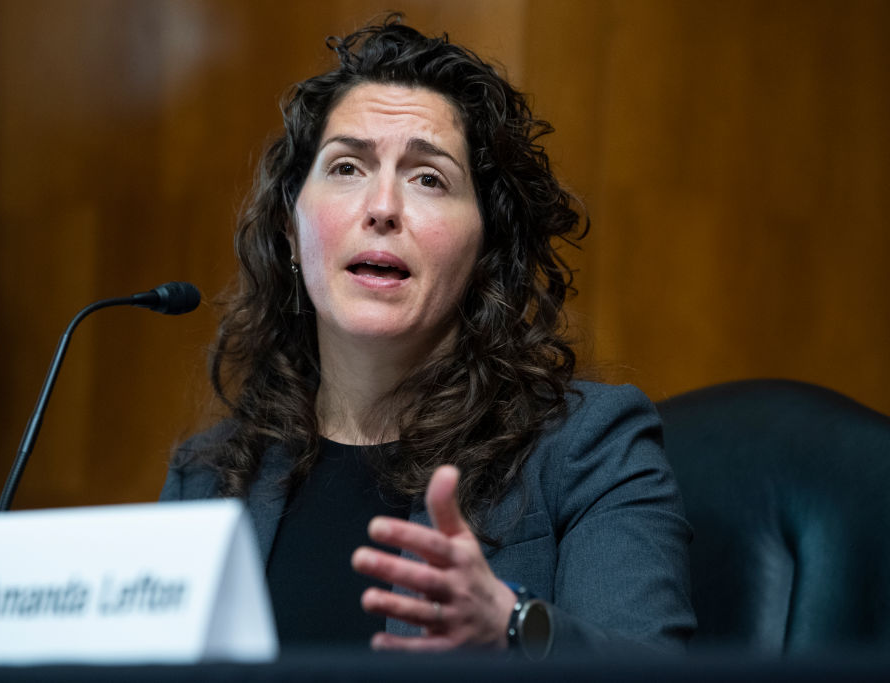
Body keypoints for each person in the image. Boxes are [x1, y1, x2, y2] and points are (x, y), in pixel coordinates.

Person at [161, 16, 694, 657]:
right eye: (347, 167)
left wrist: (514, 627)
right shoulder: (208, 479)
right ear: (289, 230)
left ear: (485, 250)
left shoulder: (588, 451)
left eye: (428, 178)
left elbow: (652, 670)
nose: (382, 206)